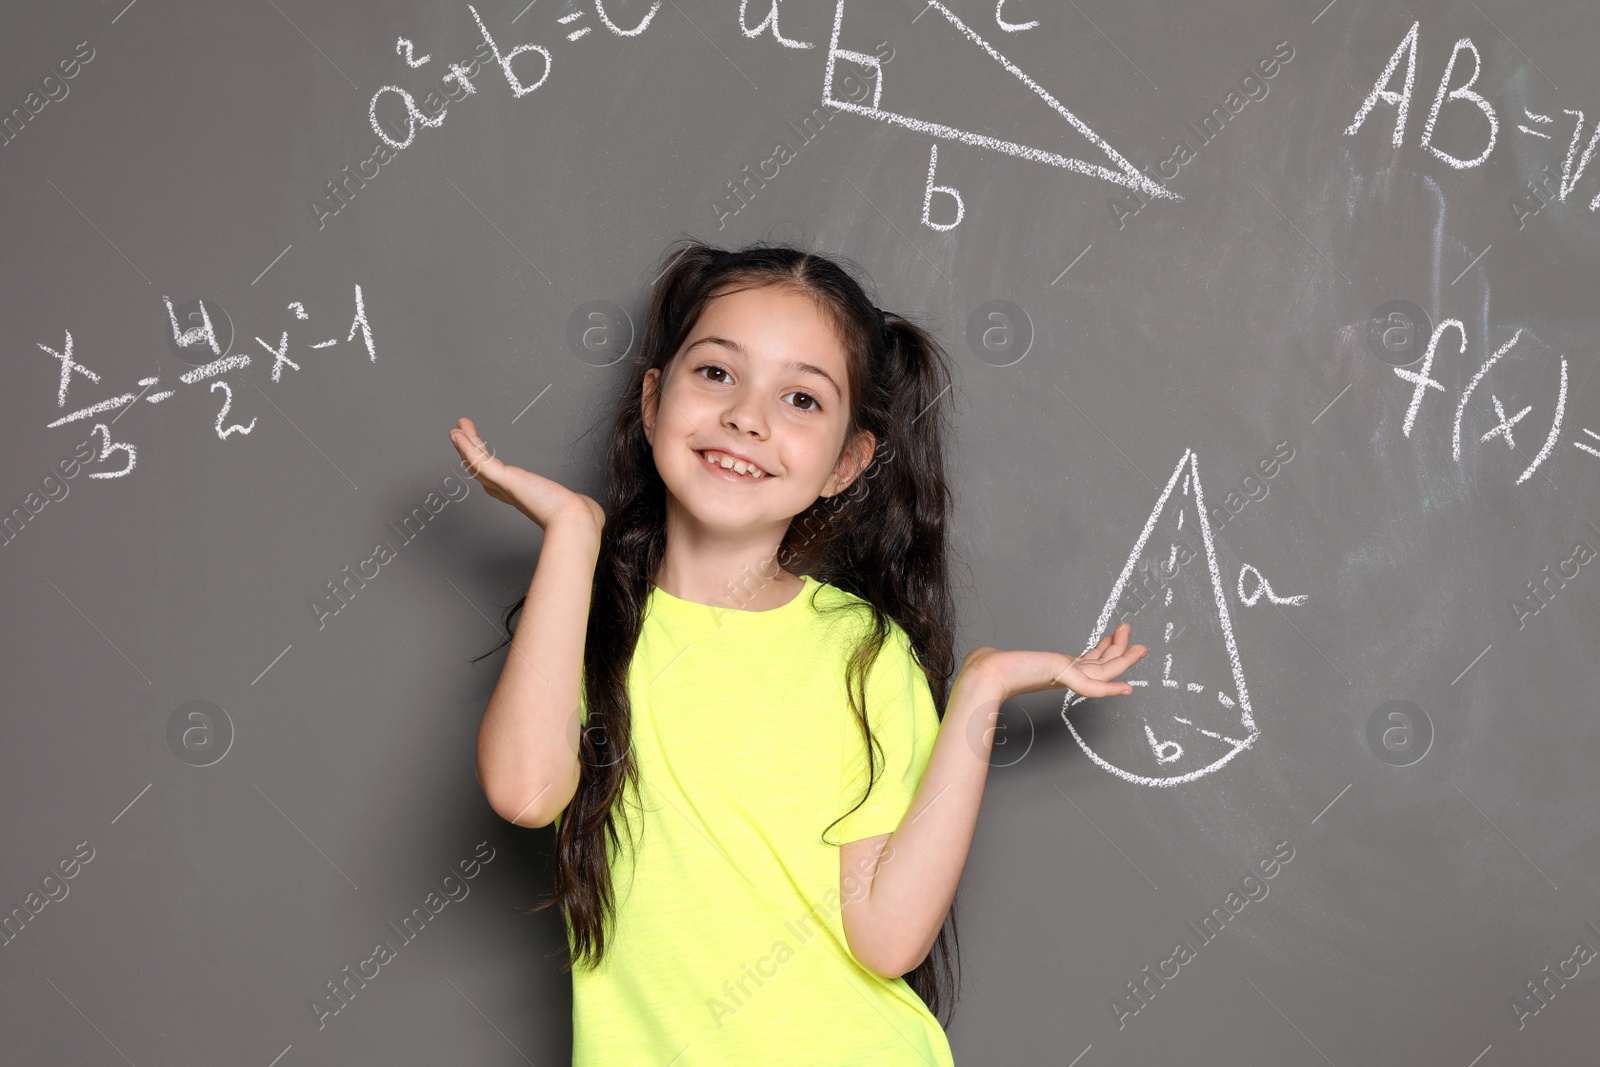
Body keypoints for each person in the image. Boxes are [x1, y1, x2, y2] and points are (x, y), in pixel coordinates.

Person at [450, 238, 1145, 1064]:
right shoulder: (590, 623)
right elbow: (527, 791)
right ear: (651, 399)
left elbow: (887, 940)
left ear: (847, 462)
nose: (748, 416)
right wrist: (574, 532)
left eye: (802, 399)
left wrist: (981, 690)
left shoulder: (863, 652)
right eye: (716, 373)